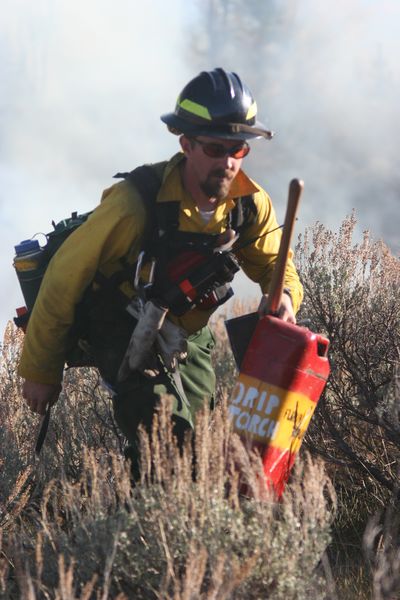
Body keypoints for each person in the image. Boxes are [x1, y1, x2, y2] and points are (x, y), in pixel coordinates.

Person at [19, 68, 303, 474]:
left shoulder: (249, 205)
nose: (227, 161)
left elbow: (277, 264)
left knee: (205, 449)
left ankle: (160, 514)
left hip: (189, 332)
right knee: (170, 443)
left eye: (238, 149)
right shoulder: (136, 203)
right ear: (185, 143)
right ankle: (137, 527)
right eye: (214, 147)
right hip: (121, 325)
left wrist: (286, 299)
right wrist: (41, 370)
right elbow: (63, 282)